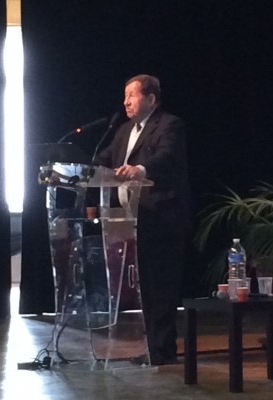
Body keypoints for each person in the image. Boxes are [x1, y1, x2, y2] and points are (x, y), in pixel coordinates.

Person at [94, 74, 190, 365]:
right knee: (144, 288)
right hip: (133, 221)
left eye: (131, 96)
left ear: (150, 98)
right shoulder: (123, 130)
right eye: (125, 96)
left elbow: (167, 157)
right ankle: (151, 347)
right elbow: (104, 160)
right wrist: (80, 169)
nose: (125, 102)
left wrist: (141, 169)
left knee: (162, 287)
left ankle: (163, 349)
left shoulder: (170, 125)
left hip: (162, 219)